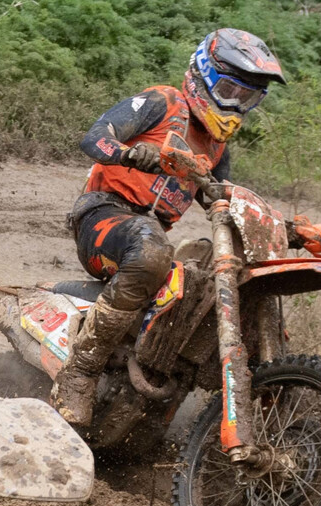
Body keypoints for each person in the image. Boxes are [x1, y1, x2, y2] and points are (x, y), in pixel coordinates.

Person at [32, 28, 285, 427]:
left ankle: (283, 408)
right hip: (102, 217)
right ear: (206, 74)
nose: (237, 106)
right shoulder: (164, 102)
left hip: (149, 234)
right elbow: (94, 138)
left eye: (248, 98)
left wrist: (285, 227)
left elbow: (222, 201)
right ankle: (80, 372)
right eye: (232, 92)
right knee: (152, 248)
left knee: (222, 276)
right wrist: (133, 155)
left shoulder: (217, 148)